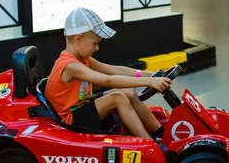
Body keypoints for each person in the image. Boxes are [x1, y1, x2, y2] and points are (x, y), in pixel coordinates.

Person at [45, 8, 172, 149]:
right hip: (68, 120)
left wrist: (147, 74)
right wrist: (148, 82)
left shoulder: (82, 58)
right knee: (118, 97)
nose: (97, 48)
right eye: (95, 43)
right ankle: (152, 145)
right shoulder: (70, 65)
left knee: (128, 92)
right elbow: (107, 80)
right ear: (78, 38)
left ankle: (160, 132)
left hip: (81, 107)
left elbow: (113, 70)